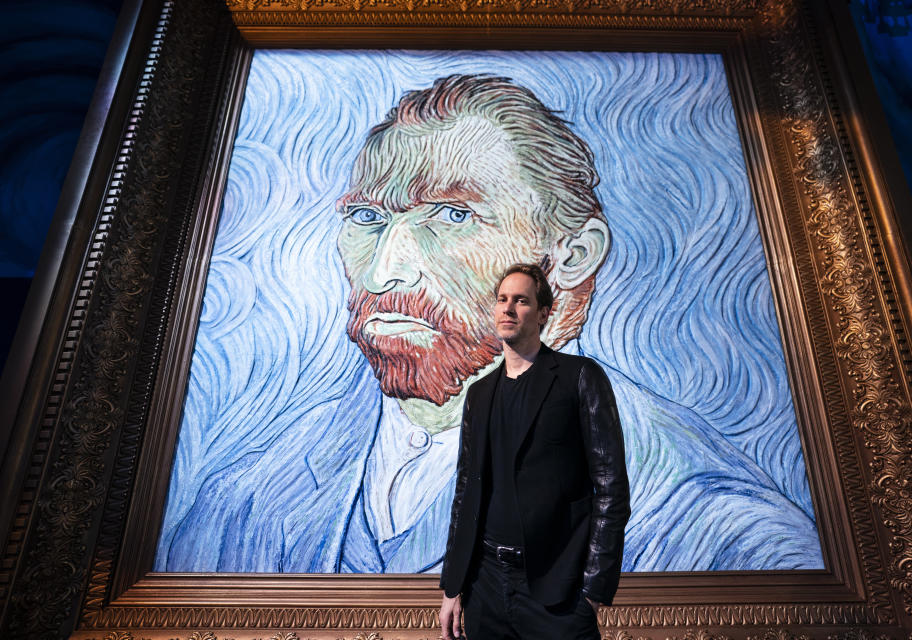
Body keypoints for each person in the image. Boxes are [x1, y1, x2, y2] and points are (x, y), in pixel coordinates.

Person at [156, 73, 822, 575]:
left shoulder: (715, 528)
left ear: (571, 257)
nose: (388, 269)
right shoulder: (241, 497)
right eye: (368, 219)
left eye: (452, 217)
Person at [438, 263, 629, 640]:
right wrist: (452, 587)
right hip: (485, 586)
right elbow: (466, 495)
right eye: (502, 299)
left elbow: (611, 490)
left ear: (543, 313)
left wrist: (592, 591)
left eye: (521, 300)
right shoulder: (479, 395)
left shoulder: (580, 377)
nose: (507, 309)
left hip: (557, 591)